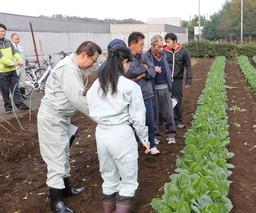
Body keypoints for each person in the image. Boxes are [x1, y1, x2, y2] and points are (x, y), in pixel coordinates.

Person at [37, 41, 102, 213]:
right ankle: (56, 202)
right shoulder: (68, 69)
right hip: (52, 118)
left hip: (62, 118)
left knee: (63, 153)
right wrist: (101, 117)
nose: (93, 64)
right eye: (93, 60)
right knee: (56, 157)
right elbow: (78, 99)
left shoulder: (73, 66)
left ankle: (65, 189)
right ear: (83, 55)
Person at [86, 46, 150, 213]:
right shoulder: (129, 86)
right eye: (129, 63)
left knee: (109, 178)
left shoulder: (97, 84)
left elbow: (90, 108)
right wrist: (145, 140)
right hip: (121, 134)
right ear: (124, 62)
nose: (129, 67)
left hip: (101, 133)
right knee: (128, 181)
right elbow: (138, 118)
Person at [127, 32, 161, 155]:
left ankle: (152, 145)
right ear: (132, 44)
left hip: (146, 93)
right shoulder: (127, 58)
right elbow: (131, 72)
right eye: (141, 44)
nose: (143, 47)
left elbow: (153, 70)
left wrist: (142, 73)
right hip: (133, 97)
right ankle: (135, 147)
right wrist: (145, 70)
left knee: (150, 121)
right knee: (134, 122)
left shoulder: (144, 56)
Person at [145, 35, 176, 145]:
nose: (162, 48)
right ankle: (156, 136)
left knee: (169, 113)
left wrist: (170, 85)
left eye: (162, 46)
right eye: (159, 46)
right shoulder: (146, 57)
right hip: (153, 89)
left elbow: (168, 69)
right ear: (152, 46)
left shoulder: (163, 55)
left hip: (165, 88)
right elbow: (145, 72)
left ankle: (171, 134)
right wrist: (153, 70)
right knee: (155, 114)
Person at [163, 33, 192, 129]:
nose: (167, 44)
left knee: (177, 100)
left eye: (168, 42)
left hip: (177, 80)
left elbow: (188, 66)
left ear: (175, 41)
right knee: (165, 100)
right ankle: (166, 121)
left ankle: (177, 121)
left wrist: (188, 81)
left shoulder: (183, 51)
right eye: (166, 42)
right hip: (165, 80)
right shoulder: (164, 51)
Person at [0, 23, 29, 113]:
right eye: (1, 31)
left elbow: (15, 52)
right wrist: (13, 63)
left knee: (15, 89)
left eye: (4, 31)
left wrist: (20, 59)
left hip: (12, 70)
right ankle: (8, 108)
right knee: (5, 90)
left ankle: (20, 105)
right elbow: (1, 58)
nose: (3, 33)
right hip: (2, 71)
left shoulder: (8, 42)